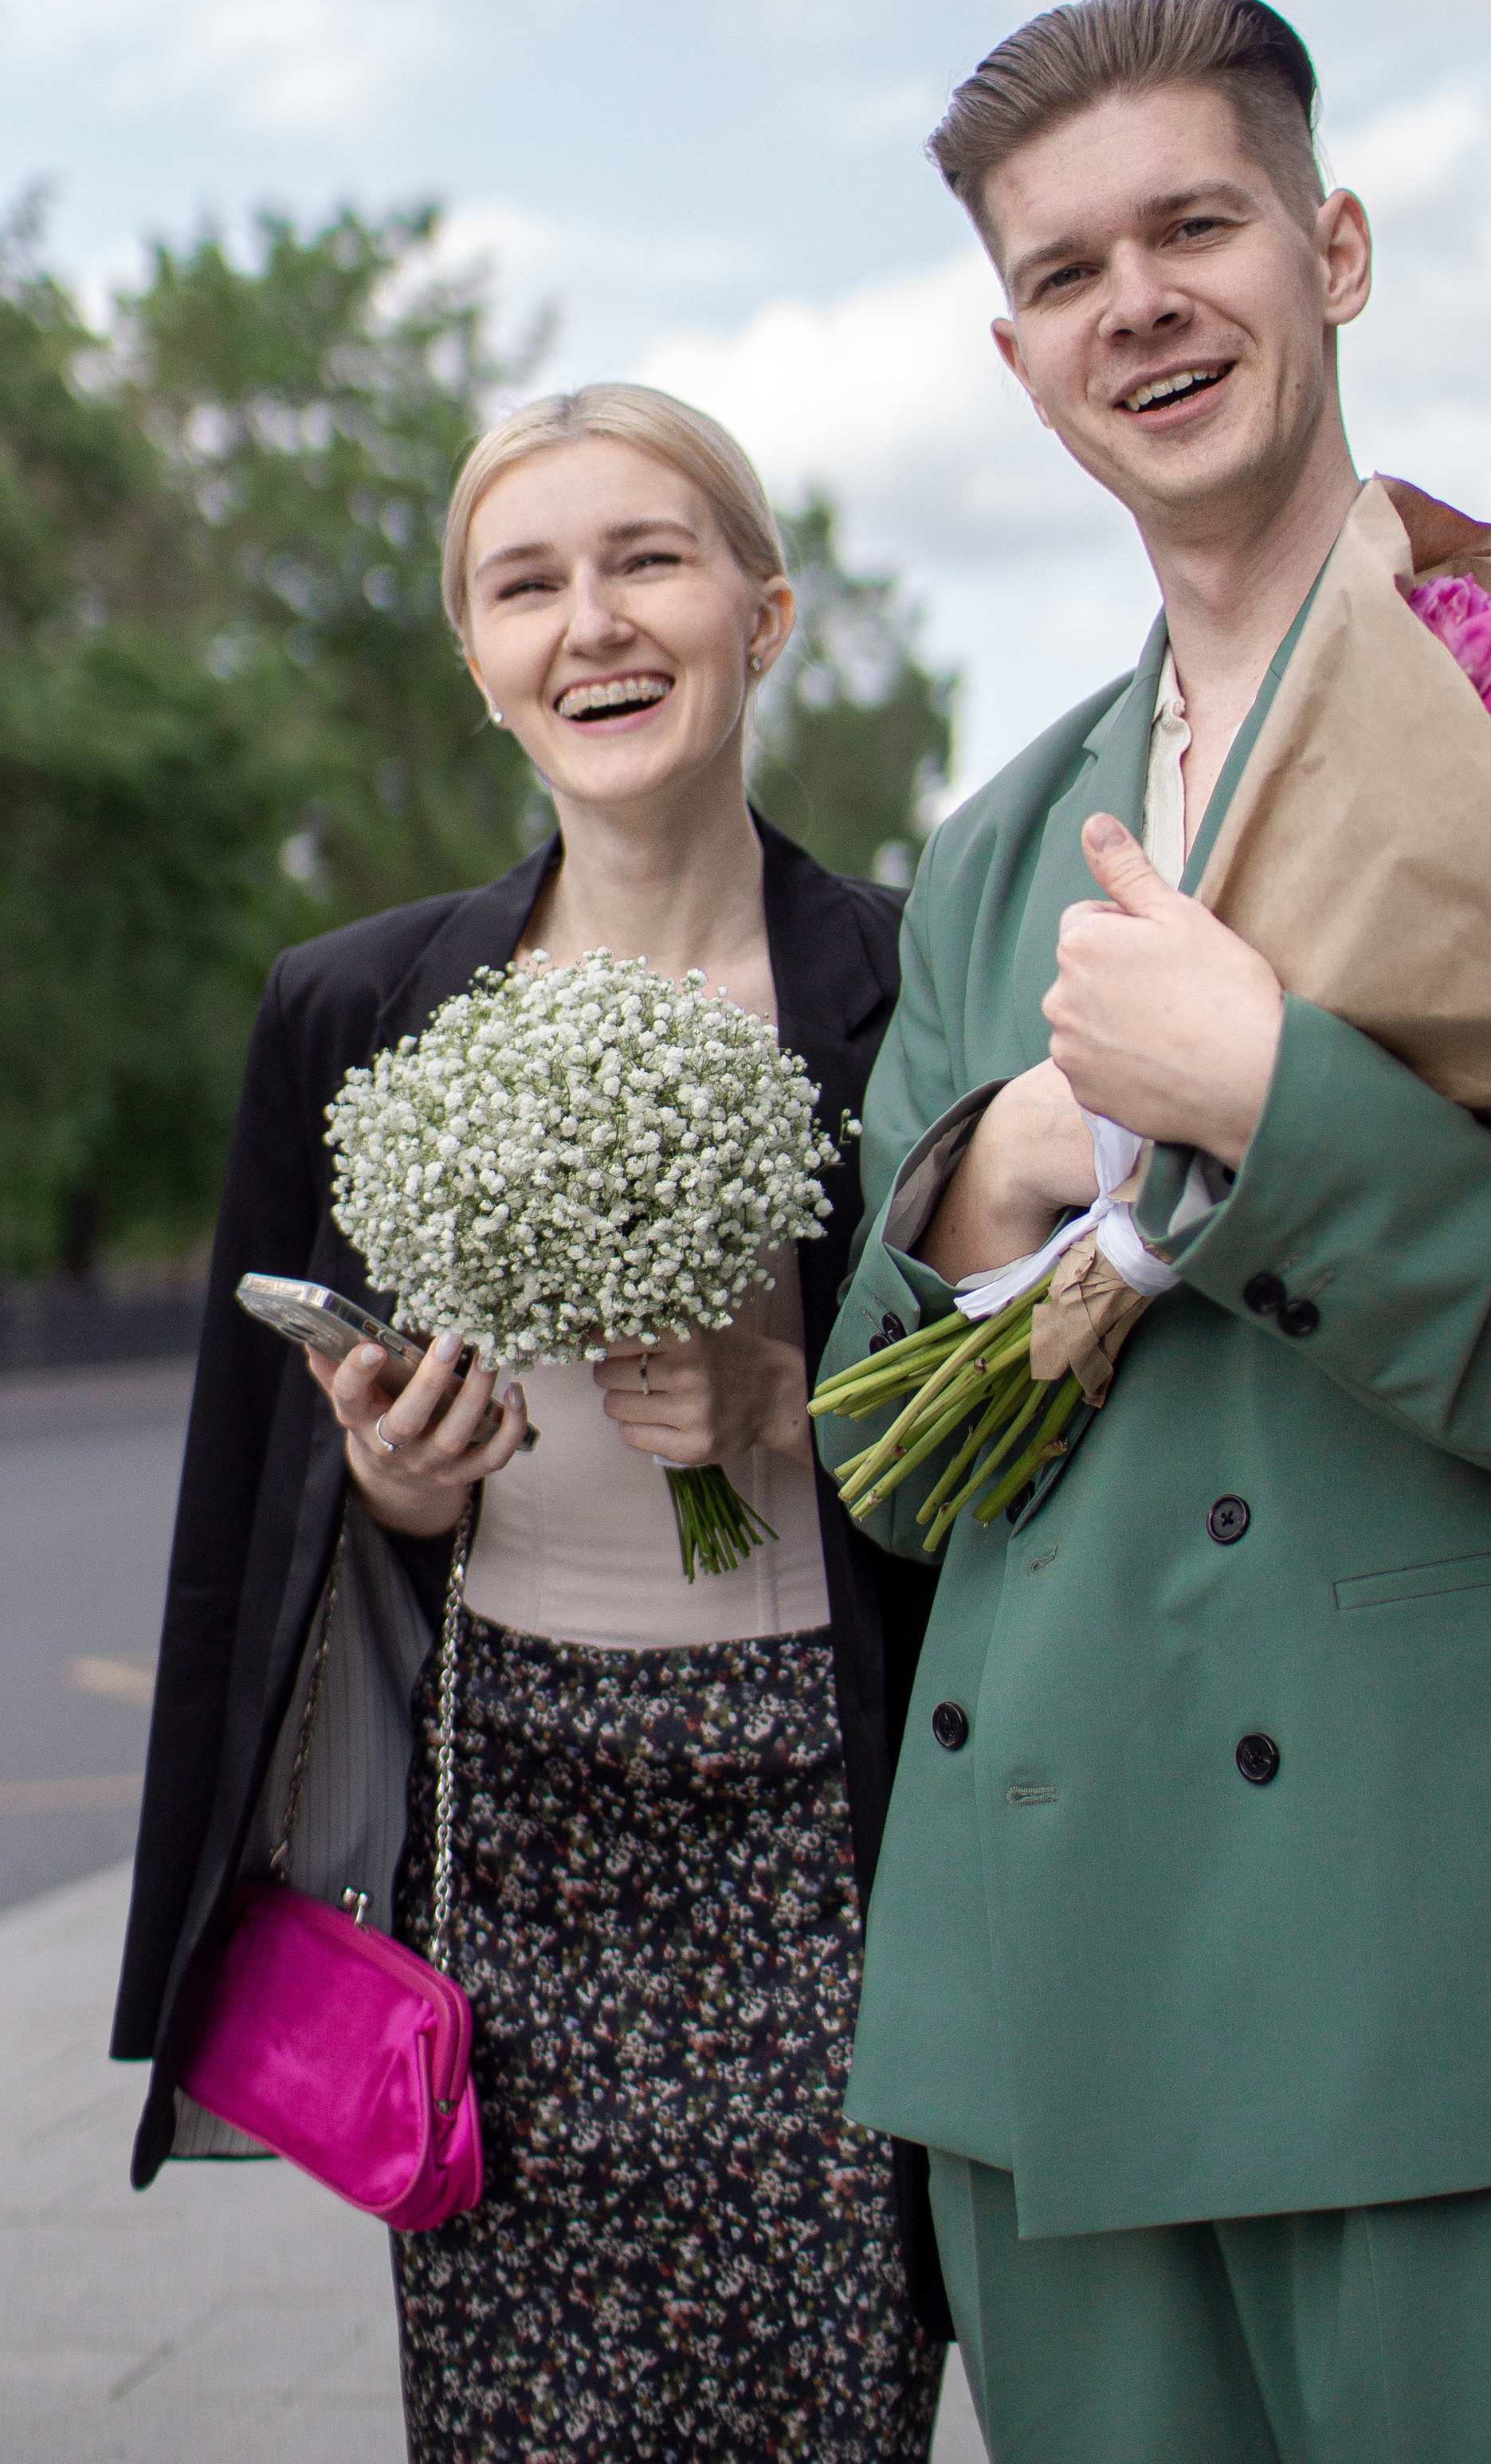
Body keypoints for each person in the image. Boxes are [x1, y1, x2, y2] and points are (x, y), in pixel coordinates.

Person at [815, 0, 1491, 2464]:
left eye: (1194, 227)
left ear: (1336, 251)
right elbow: (884, 1460)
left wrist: (1276, 1109)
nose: (1138, 305)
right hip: (1066, 1995)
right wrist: (994, 1172)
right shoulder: (994, 851)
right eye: (1067, 272)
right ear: (1019, 360)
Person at [114, 384, 948, 2463]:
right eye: (528, 584)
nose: (594, 623)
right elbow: (265, 1505)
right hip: (519, 1828)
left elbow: (1038, 1422)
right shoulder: (355, 1008)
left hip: (842, 1824)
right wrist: (394, 1482)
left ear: (764, 614)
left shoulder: (925, 986)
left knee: (833, 2404)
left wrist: (792, 1403)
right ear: (480, 663)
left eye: (649, 560)